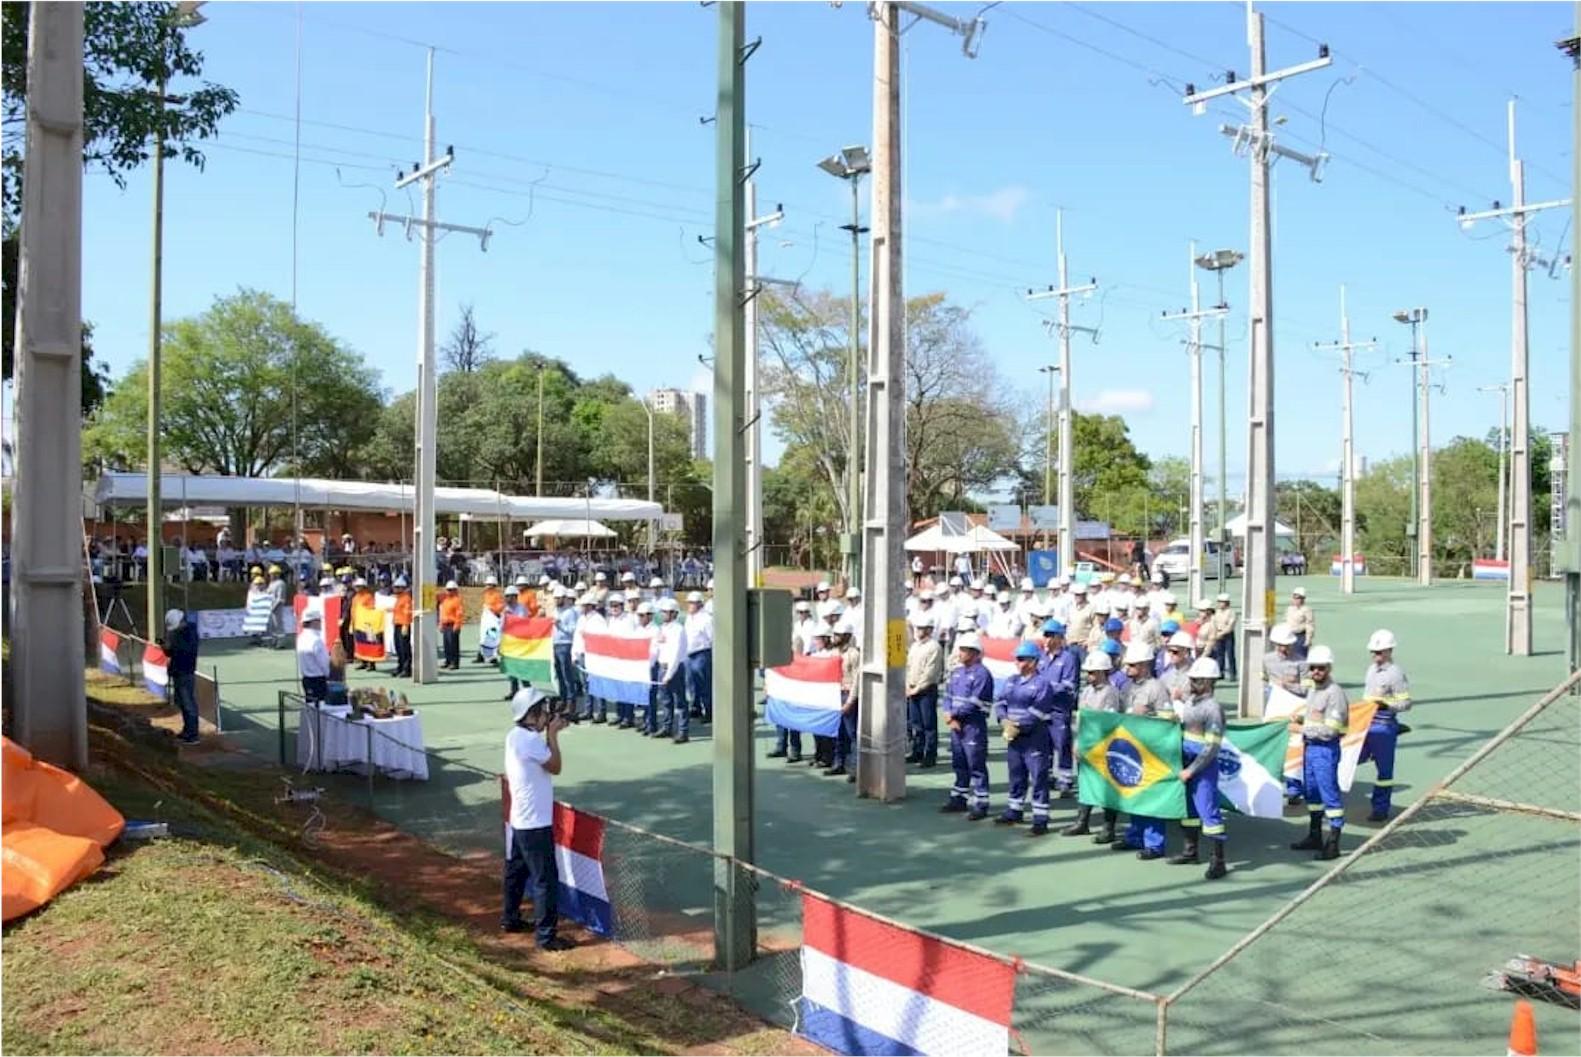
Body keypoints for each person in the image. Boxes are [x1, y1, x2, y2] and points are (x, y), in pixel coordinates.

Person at [501, 688, 575, 950]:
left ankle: (510, 918)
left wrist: (548, 731)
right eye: (542, 710)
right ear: (531, 714)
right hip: (536, 822)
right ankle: (546, 937)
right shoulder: (531, 742)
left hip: (521, 818)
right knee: (545, 880)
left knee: (516, 872)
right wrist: (553, 735)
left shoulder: (515, 736)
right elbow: (555, 766)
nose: (546, 714)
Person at [1111, 643, 1171, 859]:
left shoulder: (1157, 688)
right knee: (1134, 794)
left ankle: (1154, 844)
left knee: (1151, 798)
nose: (1127, 670)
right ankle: (1135, 836)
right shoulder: (1127, 688)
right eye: (1127, 665)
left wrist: (1147, 716)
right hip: (1130, 749)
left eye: (1133, 666)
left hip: (1151, 751)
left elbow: (1168, 720)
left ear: (1145, 666)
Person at [1289, 645, 1348, 860]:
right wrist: (1302, 720)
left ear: (1329, 668)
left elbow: (1331, 730)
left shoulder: (1335, 694)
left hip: (1324, 750)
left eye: (1320, 668)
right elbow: (1317, 719)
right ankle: (1315, 835)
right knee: (1312, 795)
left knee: (1330, 796)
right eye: (1313, 668)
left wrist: (1302, 728)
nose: (1316, 672)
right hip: (1310, 749)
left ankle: (1333, 842)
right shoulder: (1313, 690)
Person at [1173, 657, 1230, 879]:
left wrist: (1192, 770)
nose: (1192, 683)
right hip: (1186, 762)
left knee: (1209, 812)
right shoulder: (1190, 703)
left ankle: (1219, 860)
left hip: (1202, 769)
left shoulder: (1213, 709)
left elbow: (1211, 747)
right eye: (1192, 679)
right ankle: (1190, 851)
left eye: (1197, 680)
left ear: (1208, 682)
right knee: (1189, 812)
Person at [994, 641, 1056, 835]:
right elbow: (1001, 702)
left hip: (1034, 738)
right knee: (1016, 774)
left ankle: (1040, 819)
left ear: (1033, 661)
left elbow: (1038, 711)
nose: (1017, 663)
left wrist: (1016, 727)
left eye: (1021, 659)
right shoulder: (1011, 680)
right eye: (1017, 659)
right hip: (1015, 739)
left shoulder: (1042, 684)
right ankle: (1015, 810)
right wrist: (1004, 721)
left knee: (1038, 778)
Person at [1064, 651, 1123, 839]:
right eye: (1088, 672)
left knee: (1107, 787)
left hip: (1104, 746)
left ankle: (1109, 828)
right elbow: (1081, 719)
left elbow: (1109, 722)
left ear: (1103, 672)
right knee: (1086, 783)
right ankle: (1082, 821)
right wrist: (1077, 742)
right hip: (1087, 744)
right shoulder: (1087, 691)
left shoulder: (1111, 693)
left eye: (1093, 672)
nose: (1089, 676)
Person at [1359, 629, 1412, 822]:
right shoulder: (1371, 670)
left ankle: (1380, 808)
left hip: (1384, 726)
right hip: (1366, 725)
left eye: (1379, 652)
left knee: (1384, 771)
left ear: (1389, 651)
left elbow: (1406, 703)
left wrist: (1386, 705)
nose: (1375, 656)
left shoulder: (1395, 675)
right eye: (1373, 652)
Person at [941, 634, 994, 820]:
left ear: (974, 653)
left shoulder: (982, 674)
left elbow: (975, 702)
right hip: (956, 726)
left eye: (964, 650)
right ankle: (959, 798)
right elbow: (947, 696)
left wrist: (953, 716)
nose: (960, 653)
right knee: (959, 762)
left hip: (973, 725)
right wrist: (948, 715)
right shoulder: (956, 672)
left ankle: (981, 803)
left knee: (976, 764)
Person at [1264, 623, 1309, 804]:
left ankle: (1294, 788)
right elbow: (1265, 680)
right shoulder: (1267, 660)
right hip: (1275, 709)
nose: (1283, 649)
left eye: (1287, 645)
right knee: (1275, 746)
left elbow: (1307, 689)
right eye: (1280, 645)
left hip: (1296, 709)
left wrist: (1289, 685)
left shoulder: (1301, 662)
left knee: (1295, 747)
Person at [904, 615, 944, 768]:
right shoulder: (915, 646)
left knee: (928, 724)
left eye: (921, 628)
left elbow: (930, 672)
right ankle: (918, 751)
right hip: (913, 688)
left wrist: (917, 688)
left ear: (929, 630)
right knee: (916, 723)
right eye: (917, 628)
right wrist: (908, 685)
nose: (918, 631)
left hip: (926, 690)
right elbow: (909, 667)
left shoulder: (934, 647)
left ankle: (930, 754)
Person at [651, 598, 690, 742]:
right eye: (662, 612)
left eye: (665, 612)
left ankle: (683, 731)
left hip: (674, 668)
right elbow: (658, 649)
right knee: (665, 700)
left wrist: (668, 674)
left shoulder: (677, 630)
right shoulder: (664, 628)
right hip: (663, 666)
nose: (663, 615)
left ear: (673, 613)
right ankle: (667, 727)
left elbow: (675, 654)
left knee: (680, 701)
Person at [827, 627, 862, 780]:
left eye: (838, 634)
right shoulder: (834, 653)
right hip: (835, 693)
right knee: (838, 732)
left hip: (847, 694)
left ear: (846, 636)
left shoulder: (854, 655)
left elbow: (856, 680)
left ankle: (854, 768)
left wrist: (850, 701)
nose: (834, 637)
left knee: (852, 732)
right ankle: (838, 763)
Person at [164, 608, 202, 744]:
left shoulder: (187, 635)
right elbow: (170, 651)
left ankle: (193, 734)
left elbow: (175, 651)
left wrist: (168, 645)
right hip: (179, 671)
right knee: (182, 702)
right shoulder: (183, 632)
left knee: (188, 703)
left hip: (185, 672)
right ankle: (188, 730)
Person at [684, 591, 714, 724]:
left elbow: (712, 638)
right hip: (689, 654)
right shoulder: (689, 617)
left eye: (692, 603)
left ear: (699, 604)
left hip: (702, 653)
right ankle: (695, 707)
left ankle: (709, 711)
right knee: (691, 683)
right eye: (689, 602)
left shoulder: (707, 619)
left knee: (704, 684)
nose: (689, 605)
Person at [297, 610, 331, 705]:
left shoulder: (301, 637)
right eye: (319, 621)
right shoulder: (316, 640)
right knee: (321, 707)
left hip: (306, 679)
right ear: (314, 622)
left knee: (310, 706)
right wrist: (330, 675)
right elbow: (324, 662)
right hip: (318, 680)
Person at [477, 575, 506, 665]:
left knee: (492, 637)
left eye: (490, 585)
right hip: (485, 620)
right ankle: (481, 655)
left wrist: (492, 609)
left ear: (494, 585)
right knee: (483, 637)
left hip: (492, 620)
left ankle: (493, 657)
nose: (488, 586)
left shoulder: (497, 595)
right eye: (487, 584)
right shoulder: (486, 594)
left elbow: (500, 607)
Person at [438, 580, 465, 670]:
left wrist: (457, 625)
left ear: (455, 590)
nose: (449, 591)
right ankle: (448, 660)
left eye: (451, 590)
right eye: (448, 589)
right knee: (446, 645)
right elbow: (442, 613)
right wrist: (441, 624)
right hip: (446, 624)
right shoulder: (444, 600)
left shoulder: (457, 600)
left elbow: (459, 614)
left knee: (453, 645)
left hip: (453, 624)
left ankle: (454, 662)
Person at [390, 576, 413, 678]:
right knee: (398, 647)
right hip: (397, 624)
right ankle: (400, 666)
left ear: (402, 588)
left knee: (404, 648)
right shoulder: (398, 599)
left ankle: (406, 669)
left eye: (397, 587)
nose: (395, 589)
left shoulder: (406, 598)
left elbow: (407, 613)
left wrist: (405, 625)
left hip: (403, 625)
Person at [1283, 586, 1315, 660]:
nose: (1296, 600)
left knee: (1300, 659)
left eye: (1299, 598)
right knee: (1288, 658)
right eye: (1294, 597)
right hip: (1289, 636)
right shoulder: (1289, 609)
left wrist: (1308, 639)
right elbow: (1285, 622)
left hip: (1300, 638)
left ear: (1303, 599)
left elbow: (1310, 625)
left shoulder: (1306, 610)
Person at [1212, 593, 1238, 679]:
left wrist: (1221, 633)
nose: (1220, 604)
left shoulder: (1231, 612)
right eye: (1219, 602)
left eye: (1222, 602)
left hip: (1228, 635)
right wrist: (1216, 633)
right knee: (1219, 654)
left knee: (1230, 654)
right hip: (1218, 633)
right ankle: (1220, 672)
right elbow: (1214, 623)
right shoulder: (1216, 612)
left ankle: (1232, 674)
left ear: (1227, 603)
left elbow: (1230, 626)